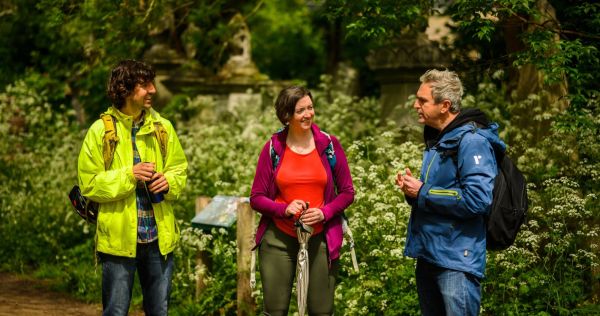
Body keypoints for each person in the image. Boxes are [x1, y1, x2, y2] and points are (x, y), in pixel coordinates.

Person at [77, 59, 188, 316]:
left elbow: (179, 170)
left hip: (159, 239)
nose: (153, 90)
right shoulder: (99, 132)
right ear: (125, 89)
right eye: (145, 85)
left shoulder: (164, 128)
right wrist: (130, 175)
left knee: (159, 311)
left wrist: (169, 182)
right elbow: (90, 185)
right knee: (115, 311)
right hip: (118, 241)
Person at [396, 69, 505, 316]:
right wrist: (412, 190)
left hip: (456, 261)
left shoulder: (472, 141)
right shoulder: (439, 139)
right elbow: (441, 194)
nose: (415, 105)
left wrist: (423, 190)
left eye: (422, 100)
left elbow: (477, 200)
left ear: (445, 105)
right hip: (430, 255)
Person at [250, 86, 355, 315]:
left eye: (310, 107)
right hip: (278, 238)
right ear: (287, 116)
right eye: (300, 110)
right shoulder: (272, 148)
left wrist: (324, 213)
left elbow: (347, 192)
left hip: (321, 238)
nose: (308, 114)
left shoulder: (329, 145)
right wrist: (283, 208)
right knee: (275, 311)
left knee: (322, 311)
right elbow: (256, 198)